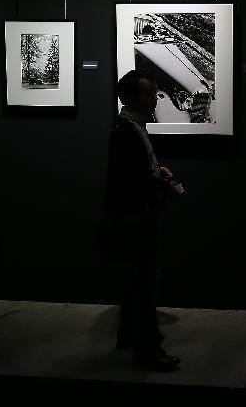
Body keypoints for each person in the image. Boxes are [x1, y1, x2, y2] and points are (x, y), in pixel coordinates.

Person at [101, 70, 182, 371]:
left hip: (136, 216)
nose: (154, 100)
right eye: (149, 94)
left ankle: (128, 336)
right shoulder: (126, 131)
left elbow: (134, 171)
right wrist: (158, 184)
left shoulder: (131, 127)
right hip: (138, 218)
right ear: (131, 98)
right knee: (146, 285)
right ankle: (149, 350)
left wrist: (157, 171)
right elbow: (129, 182)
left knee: (136, 282)